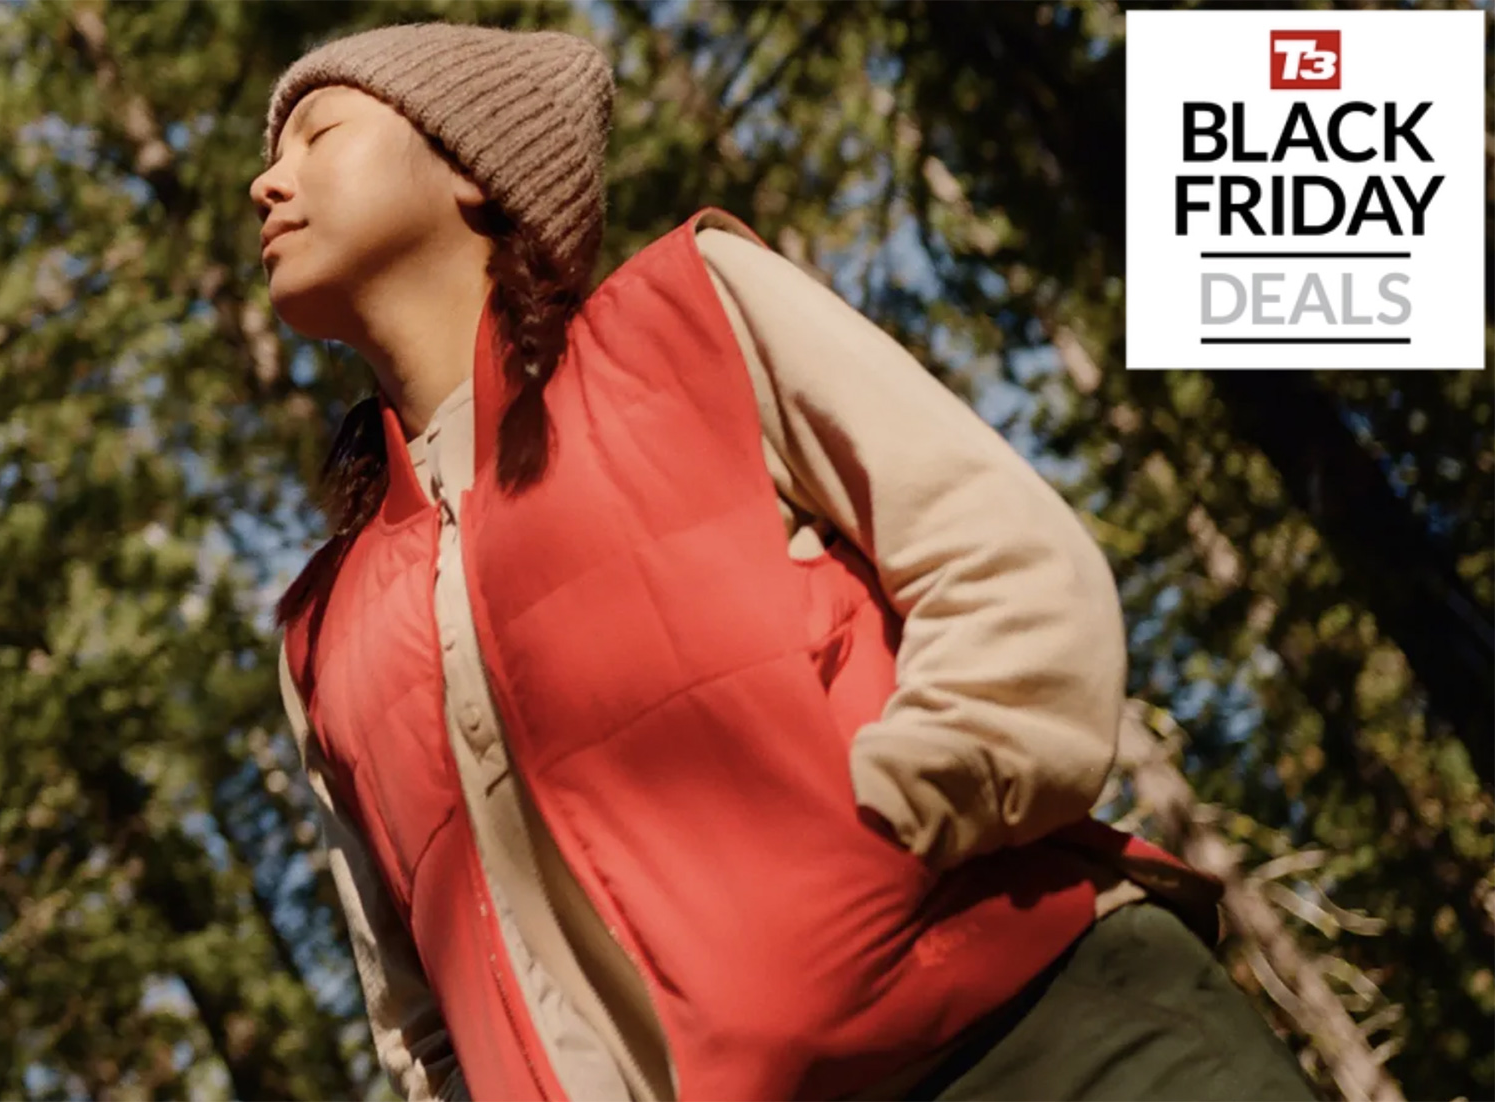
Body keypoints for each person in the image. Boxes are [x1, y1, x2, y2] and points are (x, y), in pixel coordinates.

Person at [251, 20, 1320, 1102]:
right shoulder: (321, 636)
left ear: (470, 173)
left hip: (1055, 1036)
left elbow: (1007, 566)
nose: (265, 181)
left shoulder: (693, 315)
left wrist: (890, 840)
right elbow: (416, 1018)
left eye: (316, 134)